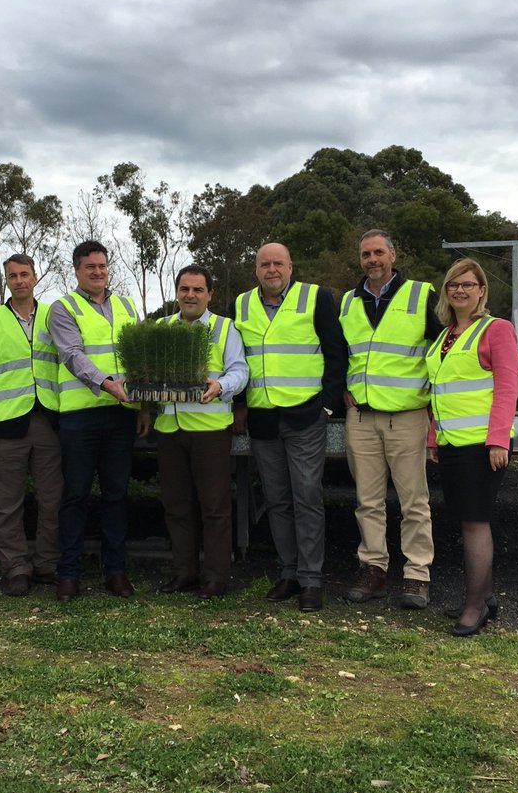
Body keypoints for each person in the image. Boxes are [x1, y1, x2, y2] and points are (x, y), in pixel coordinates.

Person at [233, 243, 347, 612]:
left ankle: (311, 579)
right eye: (264, 264)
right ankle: (289, 573)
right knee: (277, 500)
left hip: (304, 415)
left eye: (278, 263)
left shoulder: (315, 298)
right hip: (263, 418)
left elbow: (335, 352)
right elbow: (237, 359)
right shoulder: (242, 304)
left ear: (290, 266)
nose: (271, 270)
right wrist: (240, 405)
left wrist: (327, 405)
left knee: (307, 497)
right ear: (255, 269)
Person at [340, 230, 442, 609]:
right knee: (367, 501)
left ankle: (417, 575)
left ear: (393, 255)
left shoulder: (421, 294)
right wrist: (341, 389)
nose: (372, 259)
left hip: (407, 416)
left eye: (379, 252)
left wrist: (436, 408)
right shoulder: (349, 302)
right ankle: (373, 570)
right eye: (366, 254)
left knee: (414, 501)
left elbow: (441, 351)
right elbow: (341, 352)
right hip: (362, 417)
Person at [138, 265, 248, 599]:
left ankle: (215, 579)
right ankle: (183, 573)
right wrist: (144, 408)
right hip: (169, 429)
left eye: (198, 290)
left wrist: (222, 386)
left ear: (210, 294)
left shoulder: (224, 328)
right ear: (176, 292)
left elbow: (240, 370)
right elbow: (147, 373)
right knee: (176, 505)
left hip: (210, 430)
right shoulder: (161, 328)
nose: (190, 295)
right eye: (185, 289)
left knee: (214, 508)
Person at [425, 258, 518, 637]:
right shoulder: (445, 336)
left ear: (481, 290)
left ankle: (474, 605)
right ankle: (486, 597)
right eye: (452, 285)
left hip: (483, 445)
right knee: (465, 521)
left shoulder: (496, 330)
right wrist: (433, 437)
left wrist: (498, 439)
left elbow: (507, 387)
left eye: (468, 284)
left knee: (475, 523)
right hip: (451, 444)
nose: (459, 290)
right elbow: (439, 391)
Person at [48, 240, 142, 601]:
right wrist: (107, 385)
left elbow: (139, 357)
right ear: (76, 270)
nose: (98, 272)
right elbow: (72, 355)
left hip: (121, 416)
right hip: (80, 416)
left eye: (102, 266)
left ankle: (115, 572)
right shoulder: (63, 308)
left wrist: (143, 406)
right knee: (75, 496)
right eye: (91, 267)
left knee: (117, 495)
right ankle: (68, 574)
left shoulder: (126, 306)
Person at [0, 254, 62, 596]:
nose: (20, 280)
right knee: (7, 503)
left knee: (53, 499)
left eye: (25, 274)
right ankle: (16, 567)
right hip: (5, 425)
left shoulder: (56, 316)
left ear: (36, 277)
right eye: (13, 275)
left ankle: (47, 563)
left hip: (50, 420)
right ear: (5, 280)